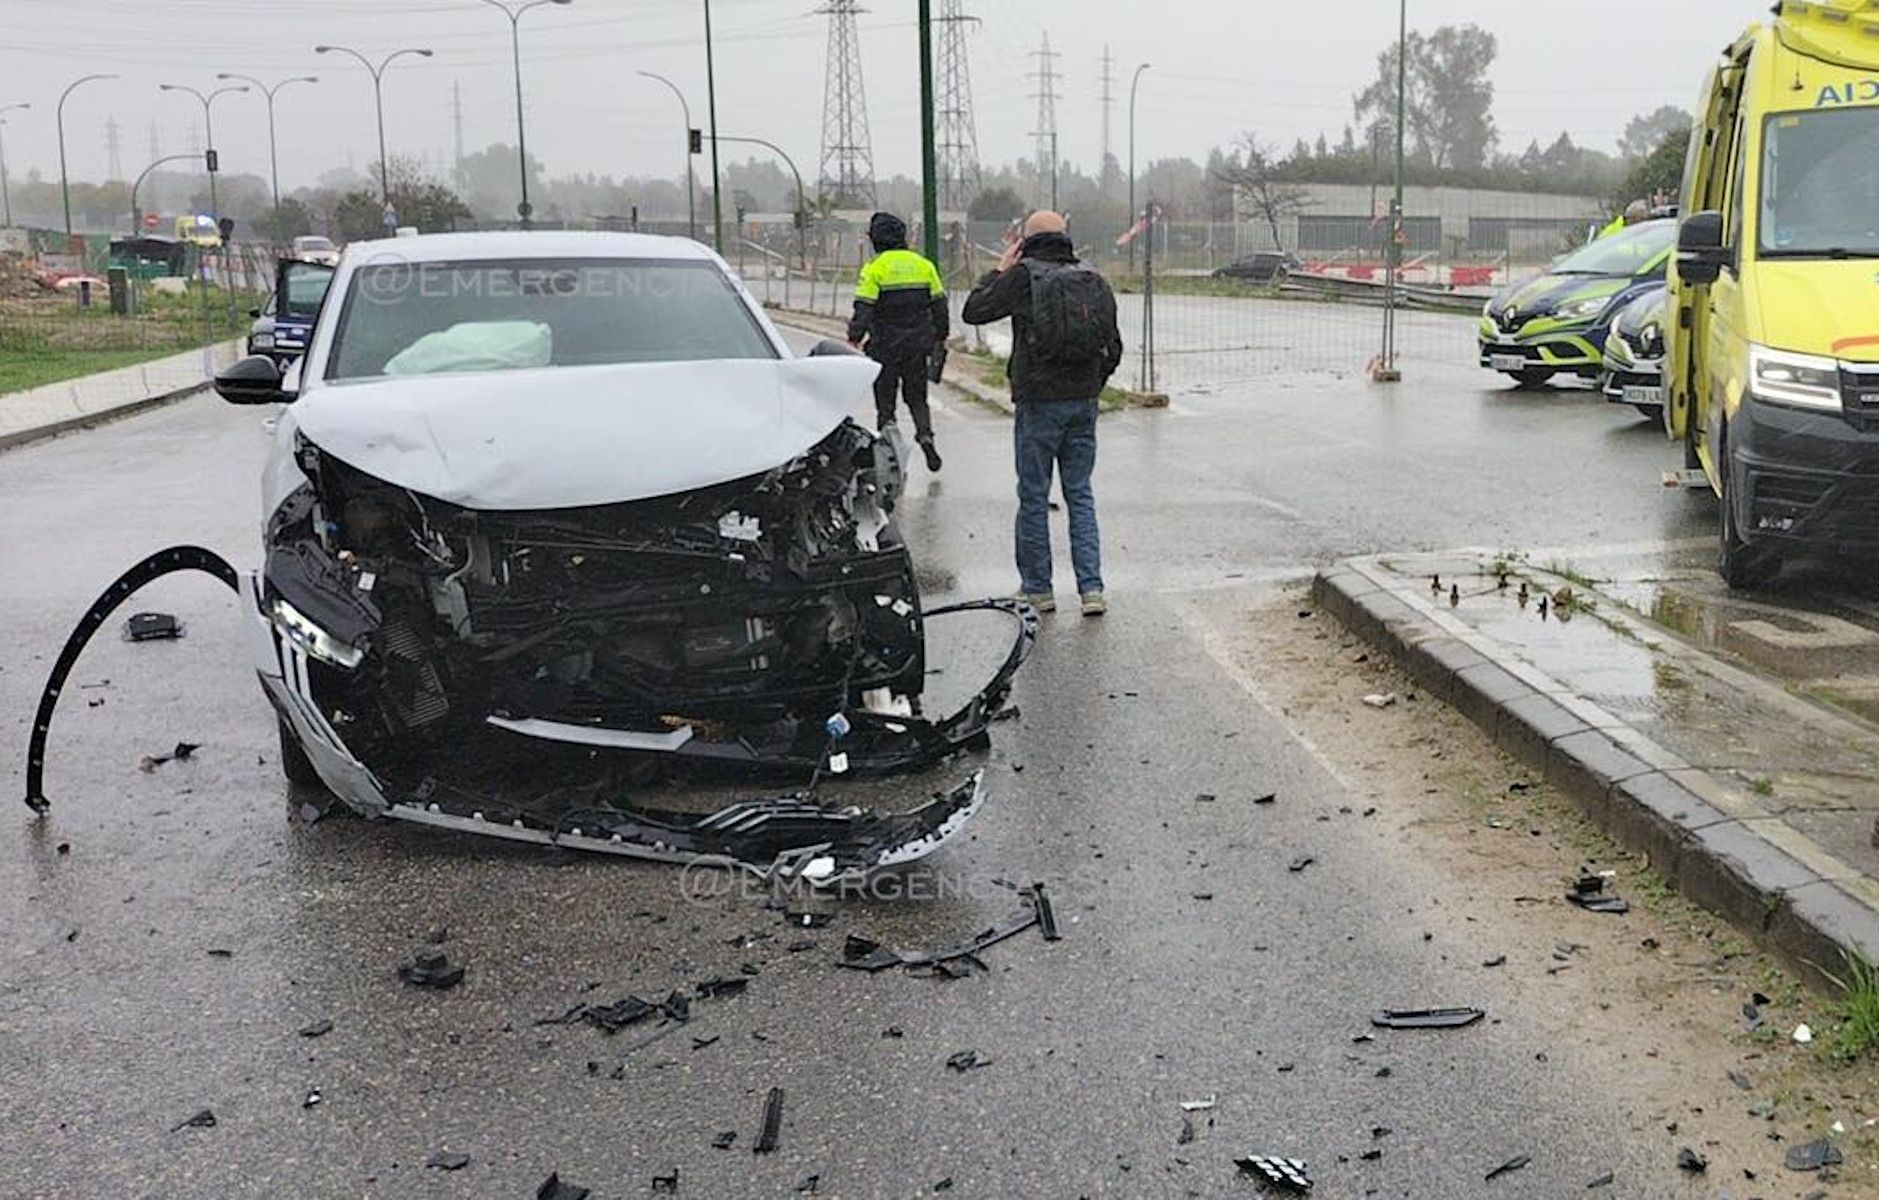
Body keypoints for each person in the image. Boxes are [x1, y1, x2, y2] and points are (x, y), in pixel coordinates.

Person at [961, 210, 1123, 617]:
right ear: (1065, 236)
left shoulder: (1023, 276)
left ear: (1024, 241)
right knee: (1080, 494)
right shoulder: (1092, 277)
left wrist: (999, 269)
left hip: (1038, 402)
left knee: (1034, 496)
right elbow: (1114, 346)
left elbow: (973, 311)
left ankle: (1038, 589)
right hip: (1083, 401)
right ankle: (1091, 590)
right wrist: (1092, 383)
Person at [848, 212, 948, 472]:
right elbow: (940, 305)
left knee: (885, 400)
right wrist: (940, 335)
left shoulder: (874, 268)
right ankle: (925, 435)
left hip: (884, 346)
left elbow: (864, 307)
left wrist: (854, 336)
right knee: (917, 397)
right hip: (918, 345)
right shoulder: (924, 265)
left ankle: (889, 455)